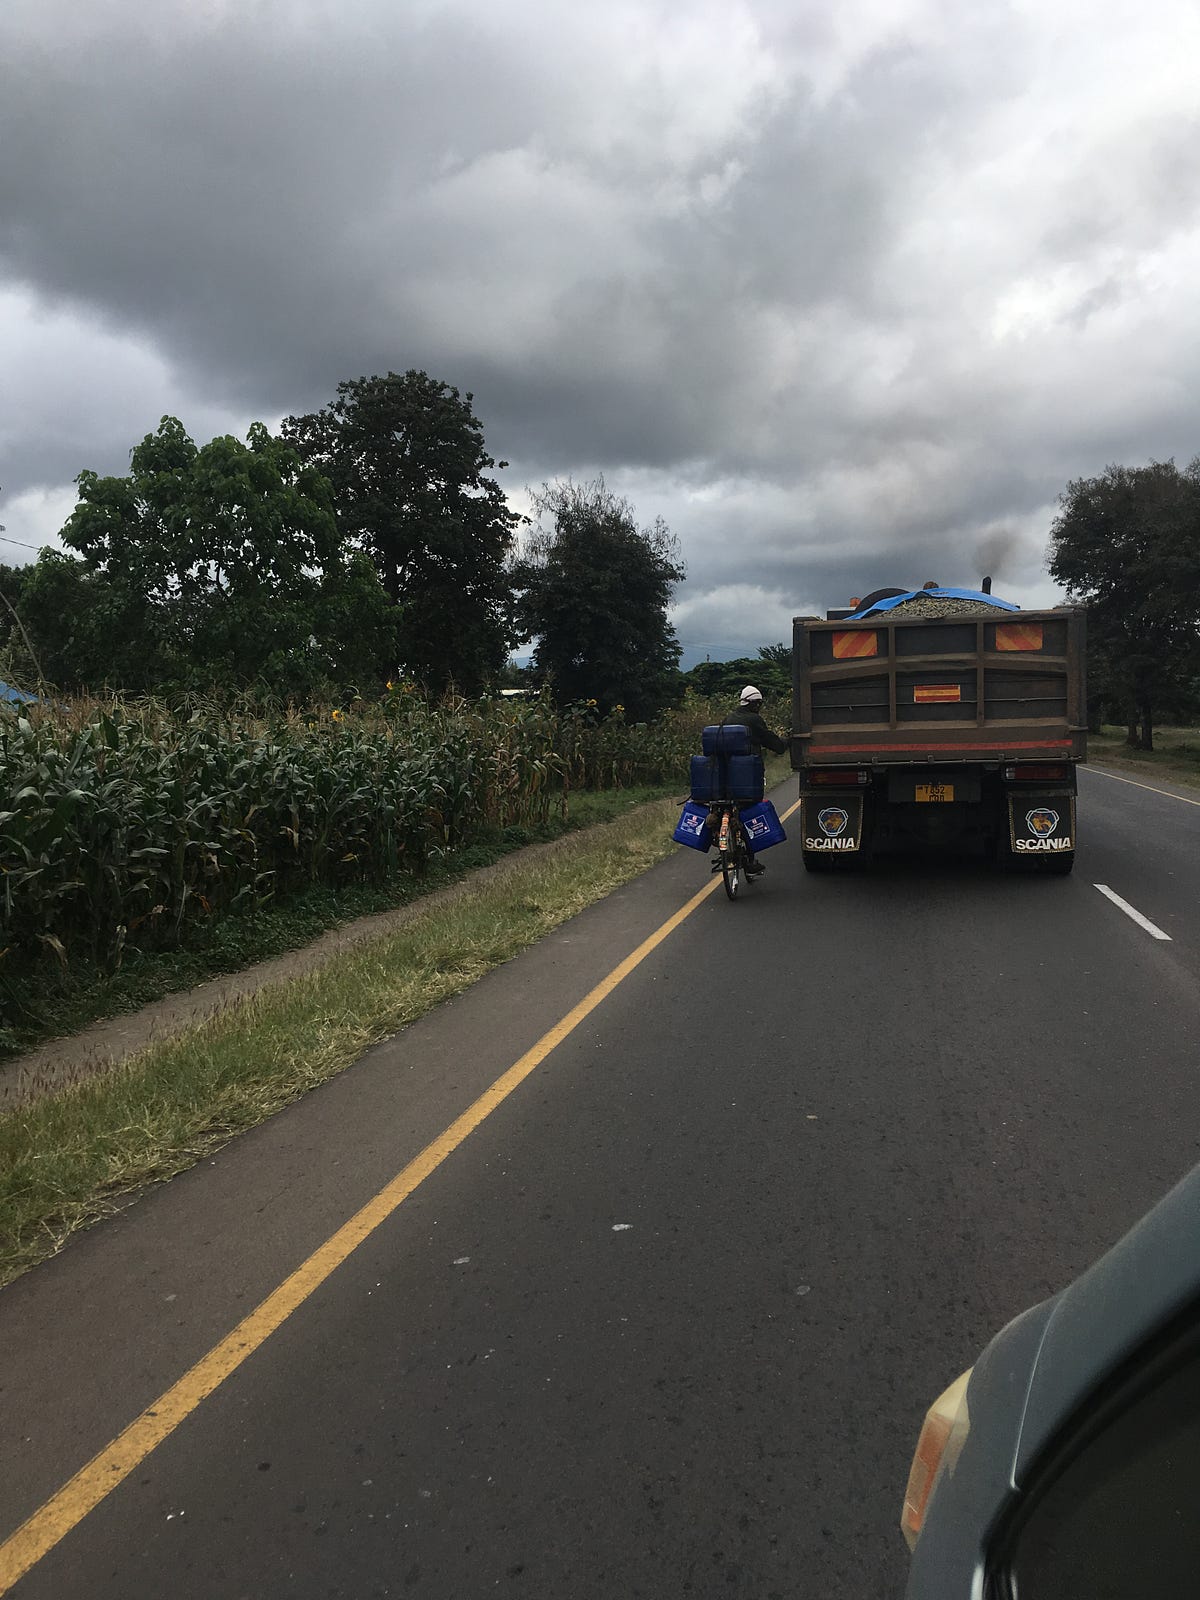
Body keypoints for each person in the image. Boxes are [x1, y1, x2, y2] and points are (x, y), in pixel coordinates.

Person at [729, 686, 787, 877]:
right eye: (759, 704)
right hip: (748, 777)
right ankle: (750, 860)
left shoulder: (729, 718)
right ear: (754, 704)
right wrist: (785, 743)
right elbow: (771, 741)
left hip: (726, 776)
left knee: (729, 807)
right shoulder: (754, 720)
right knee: (749, 812)